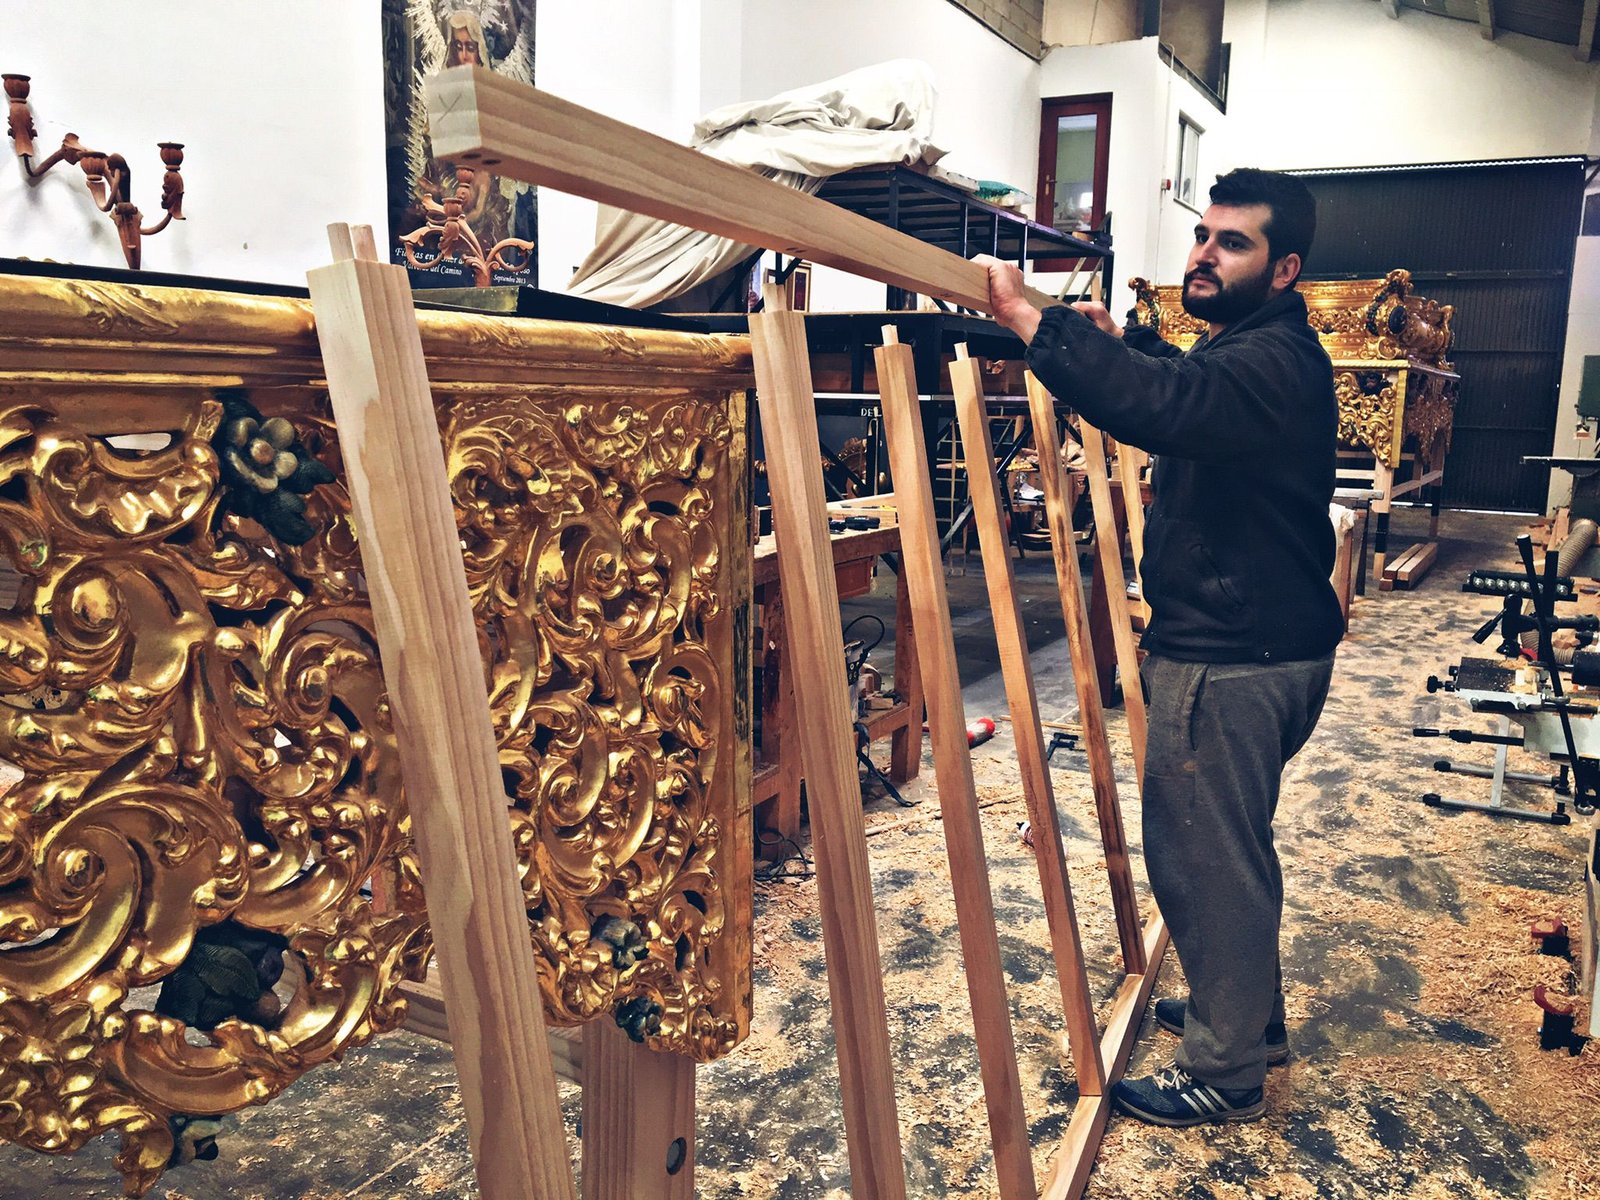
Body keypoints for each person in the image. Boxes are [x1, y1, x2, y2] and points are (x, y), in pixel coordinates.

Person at [979, 167, 1344, 1127]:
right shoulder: (1256, 349)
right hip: (1265, 644)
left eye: (1235, 244)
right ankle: (1246, 1020)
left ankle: (1225, 1073)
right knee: (1232, 846)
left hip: (1235, 657)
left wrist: (1036, 325)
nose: (1206, 256)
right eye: (1203, 237)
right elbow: (1186, 385)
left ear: (1285, 268)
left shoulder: (1269, 362)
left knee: (1200, 859)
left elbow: (1171, 409)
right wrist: (1123, 343)